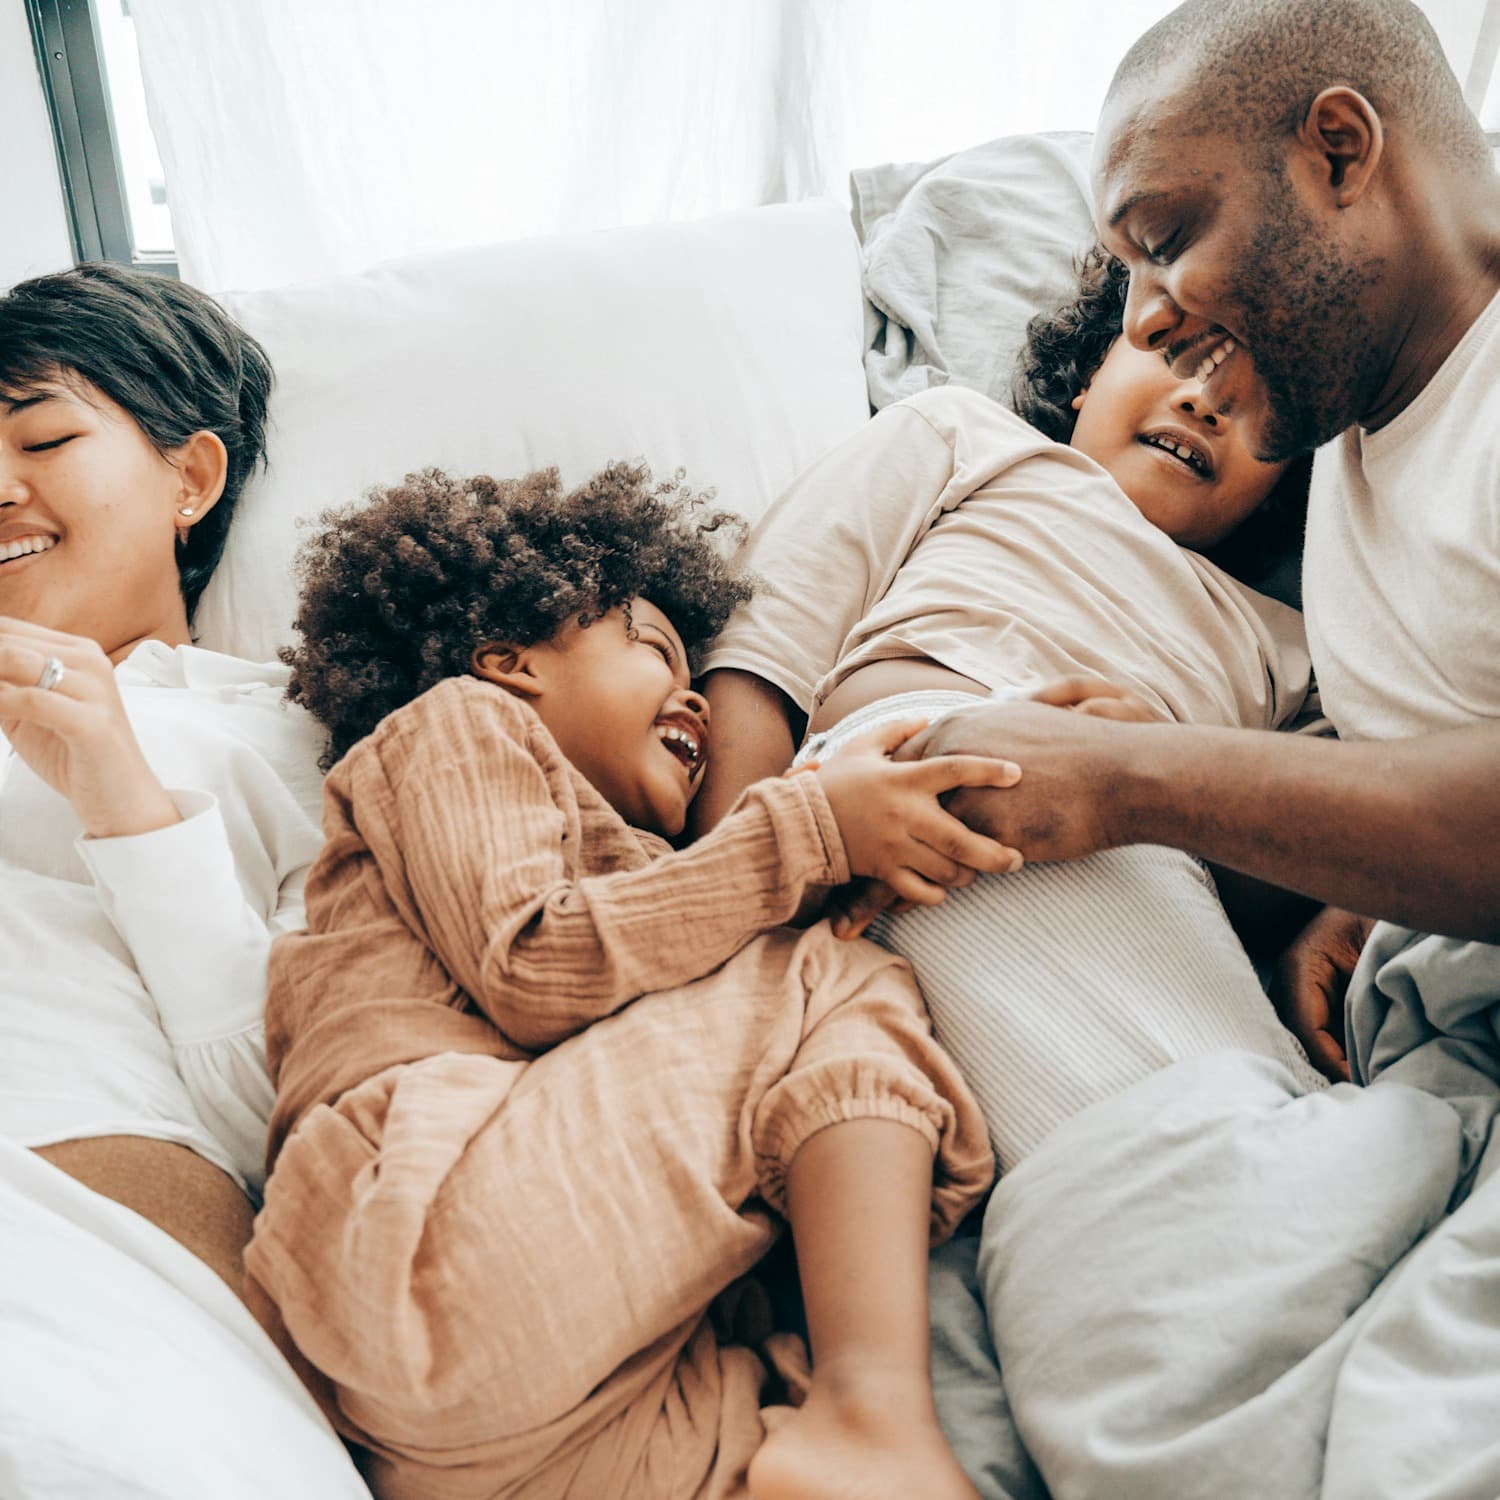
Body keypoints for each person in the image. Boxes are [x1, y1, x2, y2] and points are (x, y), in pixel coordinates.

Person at [875, 2, 1500, 1495]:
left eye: (1166, 242)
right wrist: (1353, 889)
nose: (1150, 317)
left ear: (1340, 151)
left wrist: (1134, 785)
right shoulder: (1352, 440)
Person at [245, 462, 999, 1500]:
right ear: (509, 661)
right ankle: (872, 1407)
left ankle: (839, 1431)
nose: (694, 696)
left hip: (514, 1426)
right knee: (832, 978)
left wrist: (990, 739)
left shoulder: (657, 885)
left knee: (770, 1446)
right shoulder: (457, 728)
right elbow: (533, 961)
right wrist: (814, 827)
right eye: (649, 643)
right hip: (424, 1236)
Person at [694, 244, 1325, 1175]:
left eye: (1260, 393)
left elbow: (1287, 866)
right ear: (1090, 371)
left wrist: (1166, 772)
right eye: (1176, 349)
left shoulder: (1296, 646)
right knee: (1193, 1149)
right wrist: (738, 893)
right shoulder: (968, 439)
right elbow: (761, 648)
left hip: (1145, 855)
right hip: (896, 790)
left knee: (1238, 1114)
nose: (1205, 399)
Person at [0, 264, 367, 1497]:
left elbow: (297, 1117)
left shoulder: (291, 735)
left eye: (42, 437)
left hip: (78, 1243)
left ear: (191, 480)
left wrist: (126, 803)